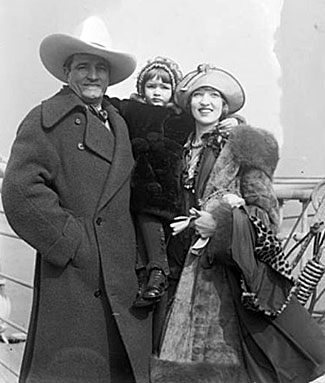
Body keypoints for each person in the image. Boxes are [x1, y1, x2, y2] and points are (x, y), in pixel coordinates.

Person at [1, 22, 157, 383]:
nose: (93, 75)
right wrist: (72, 240)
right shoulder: (47, 119)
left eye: (100, 67)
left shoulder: (118, 122)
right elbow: (19, 190)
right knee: (75, 369)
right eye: (83, 66)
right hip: (75, 275)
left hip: (123, 271)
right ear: (67, 71)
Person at [151, 64, 325, 383]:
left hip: (226, 274)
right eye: (199, 94)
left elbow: (265, 212)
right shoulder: (179, 148)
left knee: (238, 358)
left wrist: (219, 224)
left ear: (224, 105)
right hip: (180, 270)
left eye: (214, 95)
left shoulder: (240, 146)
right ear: (188, 103)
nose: (205, 101)